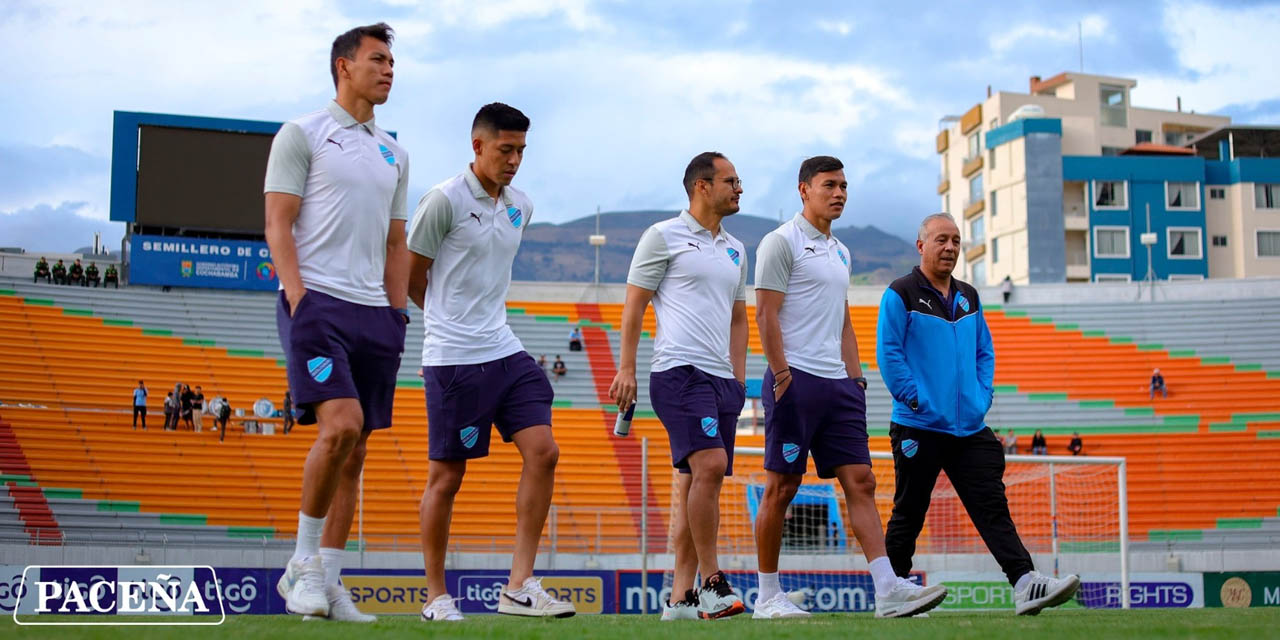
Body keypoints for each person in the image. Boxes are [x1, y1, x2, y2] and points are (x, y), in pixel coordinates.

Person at [751, 156, 944, 619]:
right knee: (782, 487)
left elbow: (843, 321)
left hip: (839, 386)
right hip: (795, 379)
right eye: (829, 185)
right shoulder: (780, 243)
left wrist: (855, 380)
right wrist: (781, 375)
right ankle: (767, 596)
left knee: (861, 480)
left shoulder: (841, 251)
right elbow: (765, 314)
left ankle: (888, 590)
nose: (839, 193)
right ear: (804, 190)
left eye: (843, 186)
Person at [265, 22, 410, 623]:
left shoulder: (394, 151)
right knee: (340, 426)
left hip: (375, 313)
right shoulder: (302, 133)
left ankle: (327, 580)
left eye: (392, 63)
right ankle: (299, 565)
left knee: (357, 453)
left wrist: (397, 311)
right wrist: (299, 296)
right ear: (343, 66)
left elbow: (397, 241)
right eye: (378, 60)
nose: (389, 70)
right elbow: (279, 221)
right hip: (317, 303)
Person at [408, 102, 573, 622]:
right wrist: (442, 322)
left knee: (544, 451)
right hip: (454, 358)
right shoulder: (443, 200)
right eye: (506, 149)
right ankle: (436, 597)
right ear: (477, 146)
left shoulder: (522, 205)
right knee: (447, 477)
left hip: (504, 349)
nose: (515, 160)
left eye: (521, 150)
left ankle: (519, 586)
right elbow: (412, 274)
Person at [877, 213, 1080, 616]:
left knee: (991, 506)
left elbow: (984, 351)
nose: (950, 247)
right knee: (909, 512)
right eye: (941, 240)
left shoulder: (969, 295)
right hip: (918, 424)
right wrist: (915, 398)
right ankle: (891, 594)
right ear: (921, 246)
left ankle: (1024, 583)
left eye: (955, 241)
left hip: (969, 427)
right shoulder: (899, 294)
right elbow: (889, 353)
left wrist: (981, 397)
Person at [609, 151, 749, 621]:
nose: (739, 188)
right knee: (709, 466)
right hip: (678, 372)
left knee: (697, 480)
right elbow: (634, 306)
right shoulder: (662, 236)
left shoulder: (736, 248)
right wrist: (626, 368)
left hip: (721, 380)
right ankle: (713, 583)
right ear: (702, 187)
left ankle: (680, 599)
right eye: (731, 180)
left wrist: (738, 377)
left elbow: (737, 317)